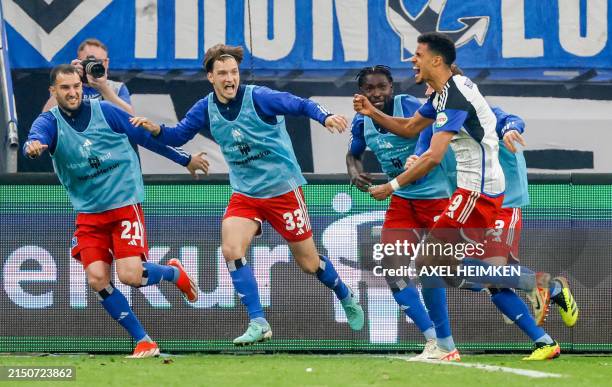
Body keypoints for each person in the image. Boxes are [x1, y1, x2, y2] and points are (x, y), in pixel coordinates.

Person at [131, 44, 364, 346]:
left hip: (283, 191)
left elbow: (300, 104)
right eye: (223, 73)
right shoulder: (205, 107)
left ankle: (344, 293)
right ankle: (258, 321)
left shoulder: (260, 98)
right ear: (210, 78)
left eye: (234, 72)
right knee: (230, 248)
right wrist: (156, 130)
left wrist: (326, 117)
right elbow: (179, 135)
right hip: (246, 194)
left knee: (308, 264)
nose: (230, 78)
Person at [354, 32, 561, 360]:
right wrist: (372, 113)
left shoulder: (454, 96)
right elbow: (409, 128)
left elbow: (433, 157)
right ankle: (535, 287)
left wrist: (390, 187)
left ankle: (450, 344)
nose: (412, 60)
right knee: (441, 267)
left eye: (418, 54)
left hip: (477, 194)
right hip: (473, 192)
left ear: (437, 60)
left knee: (426, 263)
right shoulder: (442, 95)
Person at [24, 64, 209, 358]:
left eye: (76, 87)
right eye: (65, 88)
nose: (72, 93)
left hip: (124, 204)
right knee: (97, 278)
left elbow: (146, 137)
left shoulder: (106, 112)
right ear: (53, 91)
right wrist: (33, 146)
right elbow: (36, 137)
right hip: (89, 214)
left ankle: (174, 274)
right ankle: (144, 341)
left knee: (130, 276)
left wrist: (185, 159)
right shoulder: (49, 122)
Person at [346, 65, 458, 361]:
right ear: (361, 92)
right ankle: (437, 342)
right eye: (369, 89)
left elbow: (427, 128)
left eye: (381, 87)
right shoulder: (362, 121)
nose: (376, 93)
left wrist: (417, 153)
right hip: (403, 201)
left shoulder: (409, 105)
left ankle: (532, 283)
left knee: (451, 273)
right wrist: (354, 172)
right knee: (393, 267)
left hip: (437, 199)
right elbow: (353, 152)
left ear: (392, 87)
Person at [43, 38, 134, 114]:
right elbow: (46, 118)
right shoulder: (64, 87)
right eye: (87, 62)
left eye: (98, 62)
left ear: (106, 63)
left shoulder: (117, 88)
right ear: (78, 62)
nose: (92, 66)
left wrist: (104, 88)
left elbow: (130, 119)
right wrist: (69, 78)